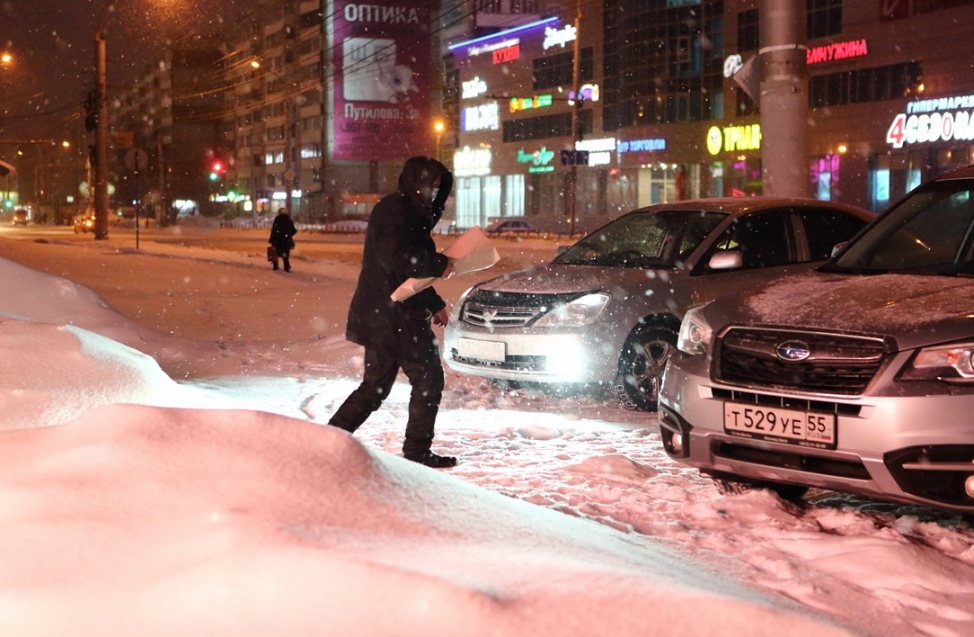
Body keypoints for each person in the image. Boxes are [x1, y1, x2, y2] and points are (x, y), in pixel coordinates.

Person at [328, 156, 457, 468]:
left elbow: (406, 276)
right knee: (428, 379)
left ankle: (329, 440)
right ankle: (416, 451)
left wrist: (434, 302)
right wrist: (440, 264)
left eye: (440, 187)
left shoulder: (406, 213)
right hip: (397, 318)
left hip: (384, 314)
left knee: (374, 388)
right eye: (431, 185)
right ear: (417, 183)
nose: (435, 192)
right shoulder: (396, 210)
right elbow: (396, 259)